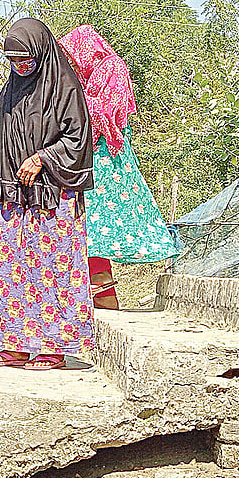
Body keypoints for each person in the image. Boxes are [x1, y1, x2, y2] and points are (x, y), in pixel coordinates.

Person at [0, 17, 96, 372]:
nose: (20, 66)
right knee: (12, 269)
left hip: (54, 196)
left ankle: (53, 347)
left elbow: (78, 139)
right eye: (13, 60)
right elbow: (6, 140)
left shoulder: (65, 89)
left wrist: (44, 158)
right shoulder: (11, 91)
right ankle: (13, 345)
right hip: (15, 196)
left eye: (26, 59)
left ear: (42, 53)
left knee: (53, 270)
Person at [56, 25, 179, 308]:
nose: (72, 64)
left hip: (107, 157)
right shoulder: (87, 78)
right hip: (88, 154)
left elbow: (106, 113)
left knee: (100, 221)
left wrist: (72, 105)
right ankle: (100, 299)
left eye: (74, 58)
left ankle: (102, 294)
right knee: (89, 227)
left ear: (86, 50)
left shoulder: (113, 68)